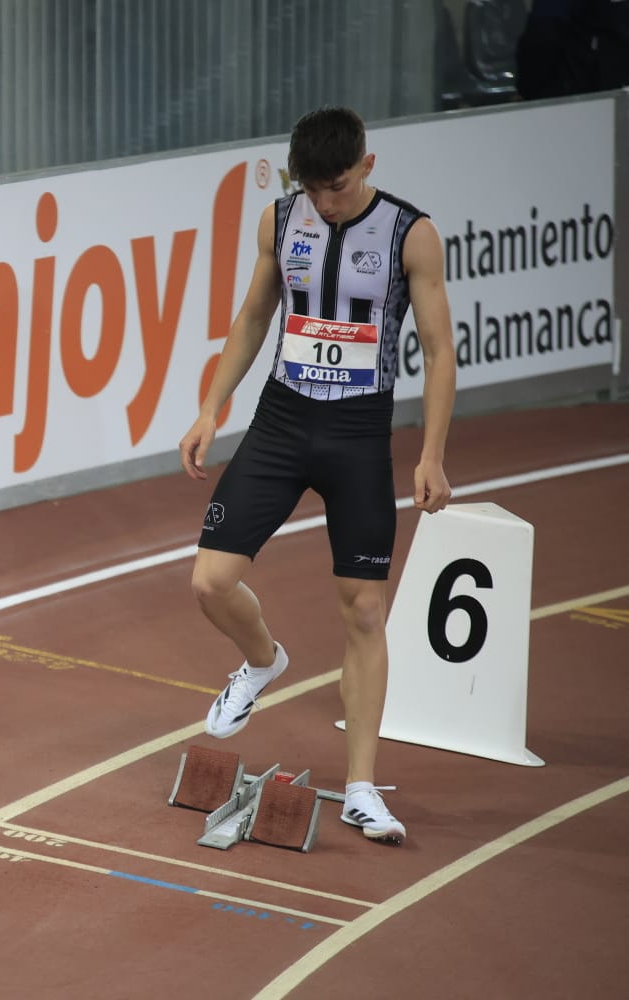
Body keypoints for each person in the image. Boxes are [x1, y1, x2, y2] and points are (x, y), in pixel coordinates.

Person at [178, 107, 457, 845]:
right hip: (280, 422)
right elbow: (252, 318)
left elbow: (437, 349)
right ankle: (262, 661)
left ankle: (362, 789)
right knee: (209, 581)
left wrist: (430, 454)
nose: (322, 202)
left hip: (359, 433)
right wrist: (212, 407)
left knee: (364, 611)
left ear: (367, 166)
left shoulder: (410, 234)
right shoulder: (280, 220)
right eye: (311, 188)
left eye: (334, 187)